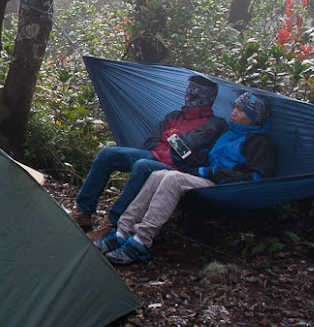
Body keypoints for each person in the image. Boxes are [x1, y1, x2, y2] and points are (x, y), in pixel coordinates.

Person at [96, 91, 278, 265]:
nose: (234, 112)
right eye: (235, 107)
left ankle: (141, 241)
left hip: (223, 188)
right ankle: (121, 232)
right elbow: (207, 159)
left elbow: (257, 178)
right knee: (157, 174)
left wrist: (213, 173)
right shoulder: (229, 134)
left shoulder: (259, 142)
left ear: (254, 117)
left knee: (172, 179)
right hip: (208, 178)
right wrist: (184, 156)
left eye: (241, 110)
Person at [71, 75, 227, 235]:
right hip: (155, 155)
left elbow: (186, 150)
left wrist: (171, 137)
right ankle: (84, 212)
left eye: (195, 95)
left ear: (208, 98)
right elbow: (151, 141)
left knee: (142, 166)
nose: (189, 96)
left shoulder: (214, 124)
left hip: (179, 169)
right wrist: (176, 139)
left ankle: (112, 222)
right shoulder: (174, 116)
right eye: (188, 91)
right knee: (108, 154)